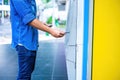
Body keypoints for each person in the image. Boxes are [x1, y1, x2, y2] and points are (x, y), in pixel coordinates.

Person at [10, 0, 65, 80]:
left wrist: (41, 23)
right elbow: (28, 19)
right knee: (24, 76)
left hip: (30, 41)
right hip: (24, 41)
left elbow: (29, 17)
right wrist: (51, 31)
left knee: (27, 73)